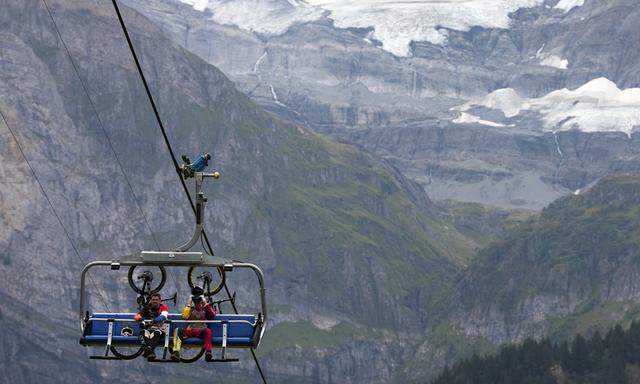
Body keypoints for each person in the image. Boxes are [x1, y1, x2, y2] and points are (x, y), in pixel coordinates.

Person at [171, 286, 216, 361]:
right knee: (177, 330)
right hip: (191, 330)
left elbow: (212, 315)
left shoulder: (205, 309)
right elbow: (184, 316)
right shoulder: (190, 309)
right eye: (195, 302)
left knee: (208, 331)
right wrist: (189, 303)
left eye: (199, 301)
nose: (197, 303)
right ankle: (176, 352)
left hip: (201, 331)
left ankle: (208, 352)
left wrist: (204, 302)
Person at [134, 292, 169, 360]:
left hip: (160, 329)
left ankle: (150, 351)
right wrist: (141, 319)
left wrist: (154, 321)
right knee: (142, 333)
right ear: (151, 300)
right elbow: (137, 315)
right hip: (149, 329)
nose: (155, 301)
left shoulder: (163, 307)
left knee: (155, 333)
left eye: (156, 300)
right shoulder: (147, 307)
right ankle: (147, 349)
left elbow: (163, 316)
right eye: (153, 299)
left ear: (160, 301)